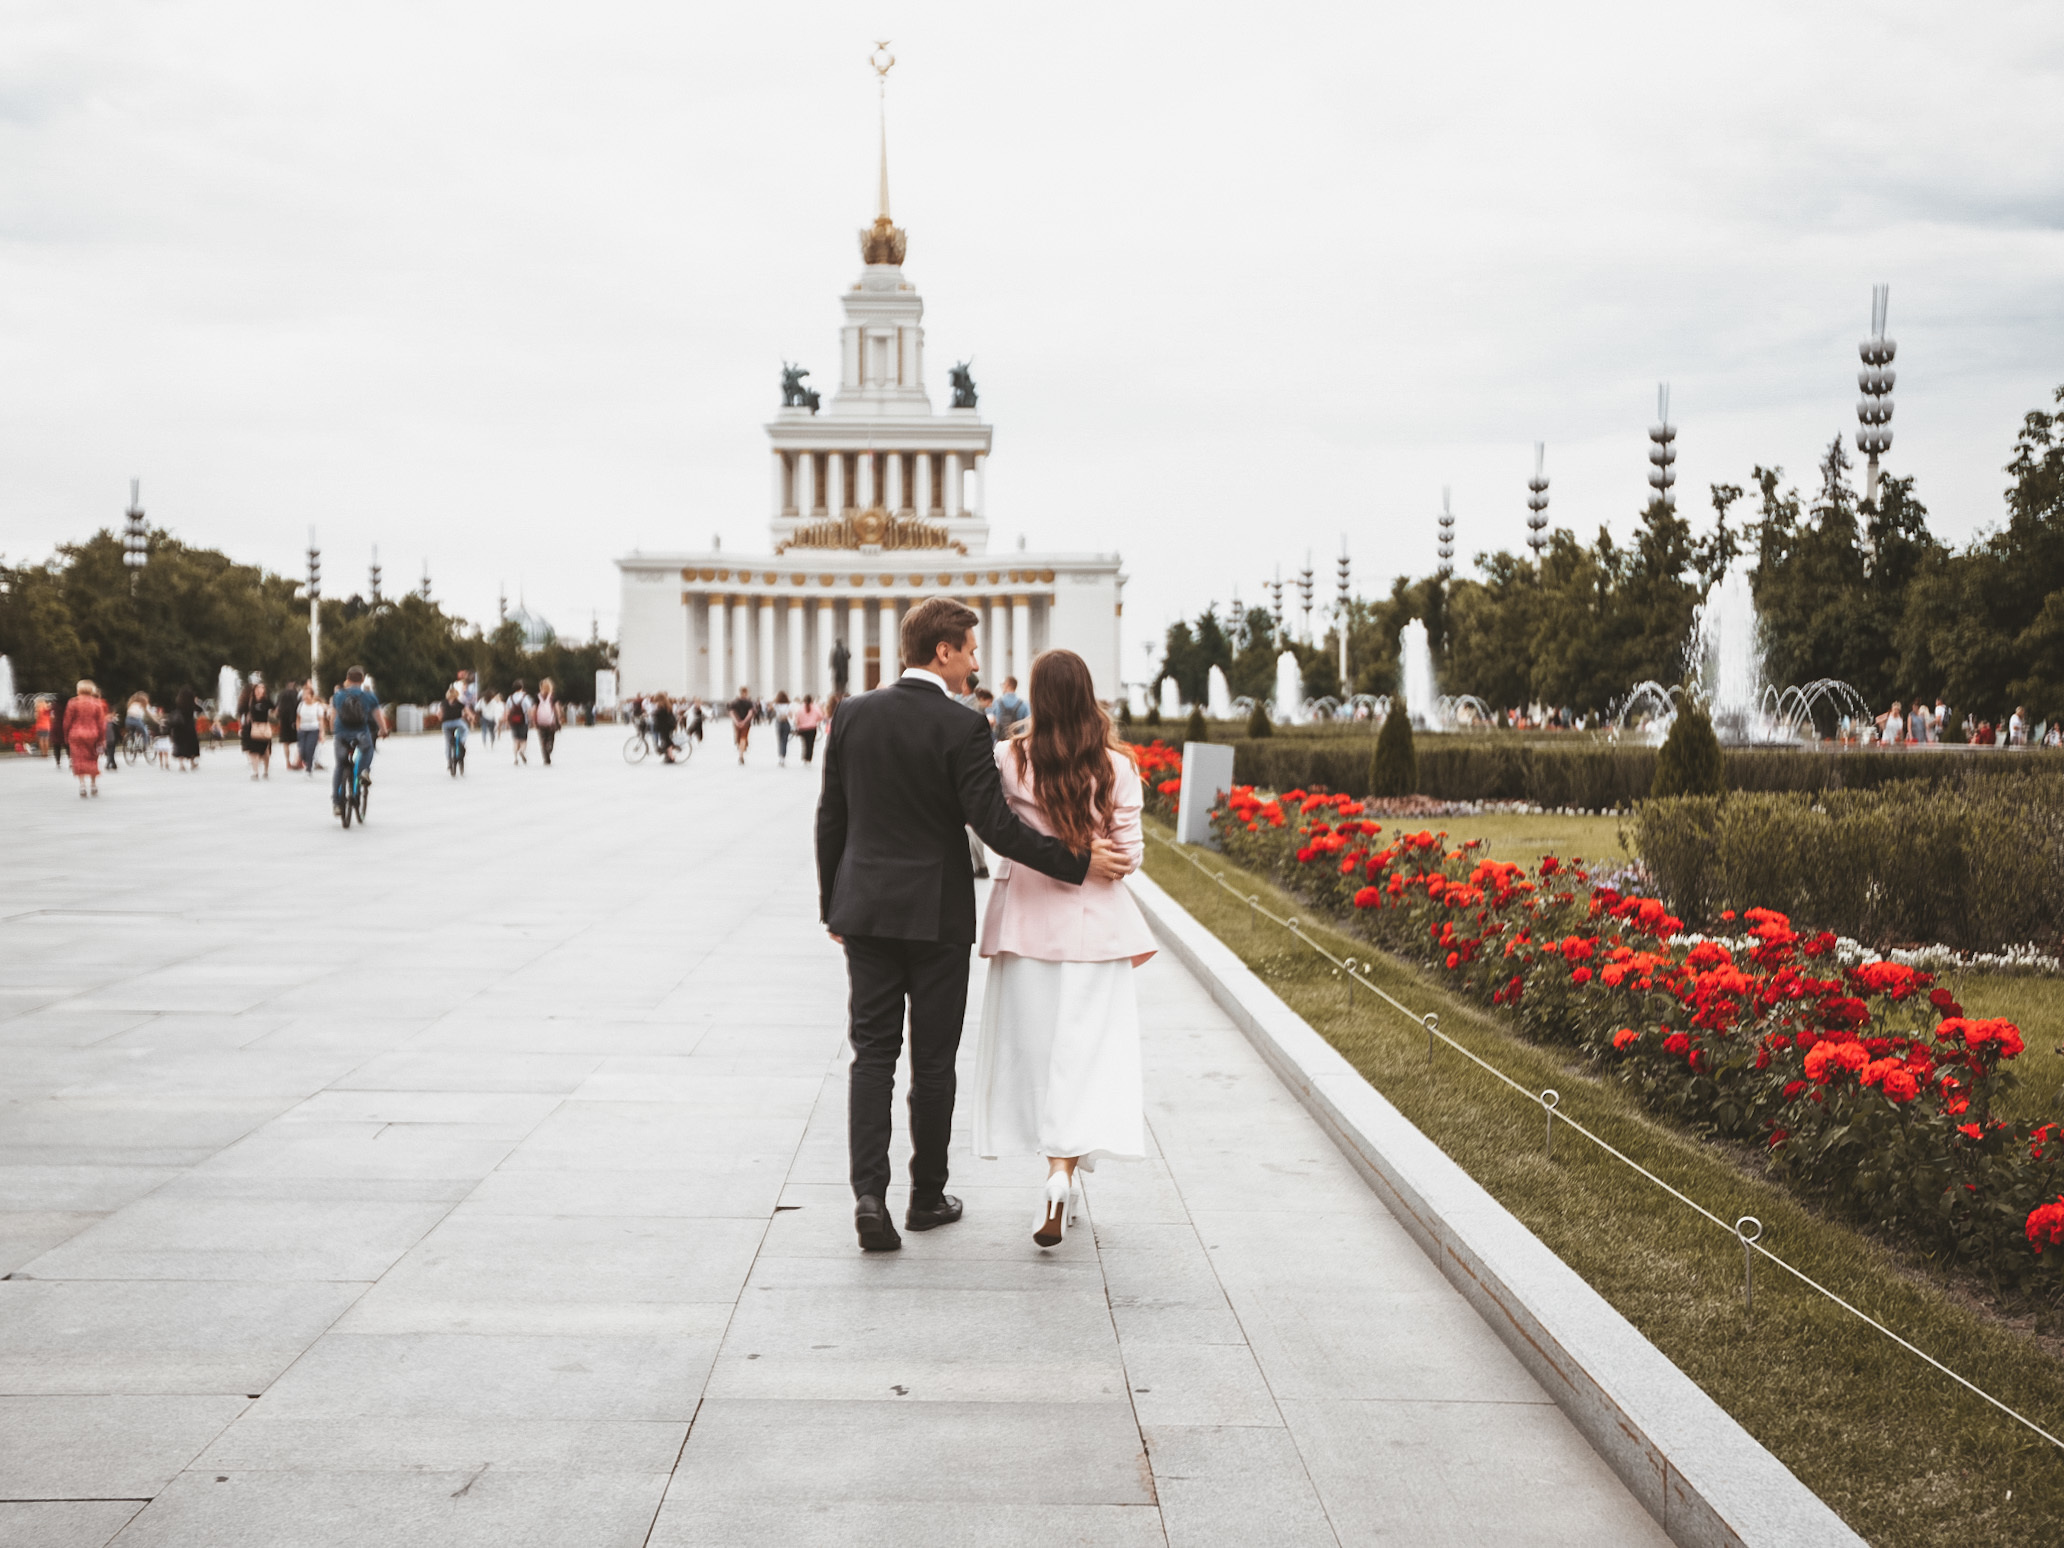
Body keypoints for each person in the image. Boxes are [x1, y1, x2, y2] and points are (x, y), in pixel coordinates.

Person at [815, 596, 1127, 1253]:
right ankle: (926, 1196)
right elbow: (997, 829)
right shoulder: (962, 729)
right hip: (936, 915)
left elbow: (831, 819)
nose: (978, 661)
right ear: (944, 652)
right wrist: (1078, 861)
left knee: (872, 1054)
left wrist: (831, 905)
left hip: (865, 911)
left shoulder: (853, 715)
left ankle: (869, 1197)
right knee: (932, 1061)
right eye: (972, 648)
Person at [974, 648, 1153, 1246]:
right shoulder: (1117, 766)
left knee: (1035, 1058)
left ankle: (1054, 1172)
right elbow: (1128, 860)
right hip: (1096, 931)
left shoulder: (1009, 758)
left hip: (1025, 922)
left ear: (1036, 697)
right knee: (1084, 1060)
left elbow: (997, 833)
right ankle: (1060, 1175)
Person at [330, 667, 384, 814]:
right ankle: (363, 771)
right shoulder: (368, 696)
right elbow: (378, 716)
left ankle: (336, 803)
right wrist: (384, 731)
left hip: (341, 733)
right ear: (362, 680)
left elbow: (333, 716)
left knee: (340, 765)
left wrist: (332, 730)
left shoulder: (339, 695)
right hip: (361, 732)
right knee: (368, 749)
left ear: (347, 679)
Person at [63, 681, 108, 798]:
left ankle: (82, 785)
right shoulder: (97, 703)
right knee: (93, 759)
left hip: (76, 734)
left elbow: (67, 721)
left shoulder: (73, 703)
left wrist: (66, 735)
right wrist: (102, 738)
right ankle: (93, 784)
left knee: (78, 760)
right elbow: (101, 723)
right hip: (93, 734)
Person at [238, 676, 275, 780]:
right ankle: (255, 772)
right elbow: (242, 711)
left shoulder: (266, 701)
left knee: (265, 751)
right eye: (257, 689)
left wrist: (272, 714)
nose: (259, 691)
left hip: (264, 727)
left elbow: (275, 709)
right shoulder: (250, 701)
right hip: (253, 728)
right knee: (253, 750)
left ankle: (266, 771)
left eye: (261, 689)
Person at [169, 687, 202, 771]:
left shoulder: (178, 704)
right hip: (189, 728)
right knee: (191, 745)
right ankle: (192, 762)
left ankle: (181, 765)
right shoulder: (191, 705)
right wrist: (196, 701)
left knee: (180, 746)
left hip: (179, 728)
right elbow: (200, 709)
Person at [298, 685, 327, 776]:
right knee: (302, 750)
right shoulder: (301, 705)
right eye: (304, 695)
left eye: (307, 694)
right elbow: (298, 717)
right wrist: (298, 728)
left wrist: (321, 733)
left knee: (310, 748)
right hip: (302, 729)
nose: (305, 697)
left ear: (311, 695)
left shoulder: (317, 706)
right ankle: (306, 761)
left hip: (313, 729)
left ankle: (309, 768)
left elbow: (321, 720)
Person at [440, 687, 467, 775]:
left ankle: (449, 761)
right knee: (465, 729)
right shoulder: (458, 703)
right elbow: (466, 712)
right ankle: (462, 741)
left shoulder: (443, 703)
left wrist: (441, 719)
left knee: (448, 742)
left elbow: (439, 714)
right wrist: (471, 717)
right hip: (457, 722)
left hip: (446, 724)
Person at [534, 679, 561, 765]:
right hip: (551, 722)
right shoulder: (553, 697)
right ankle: (549, 747)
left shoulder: (537, 697)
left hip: (540, 722)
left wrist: (534, 721)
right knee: (551, 737)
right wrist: (559, 719)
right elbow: (557, 709)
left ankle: (546, 758)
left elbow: (533, 710)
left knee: (542, 739)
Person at [993, 676, 1028, 740]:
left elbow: (993, 722)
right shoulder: (1023, 704)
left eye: (1002, 685)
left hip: (1000, 740)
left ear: (1007, 685)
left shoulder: (997, 703)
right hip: (1017, 741)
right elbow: (1026, 725)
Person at [507, 680, 533, 764]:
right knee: (523, 740)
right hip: (523, 721)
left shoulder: (510, 698)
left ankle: (515, 758)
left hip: (513, 722)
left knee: (515, 740)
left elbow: (507, 711)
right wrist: (531, 720)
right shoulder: (525, 697)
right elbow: (529, 710)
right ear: (522, 687)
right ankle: (522, 751)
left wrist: (507, 722)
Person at [794, 695, 824, 764]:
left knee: (804, 743)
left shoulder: (800, 708)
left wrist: (799, 724)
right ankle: (809, 758)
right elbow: (820, 716)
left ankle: (804, 757)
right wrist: (815, 720)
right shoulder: (815, 707)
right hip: (812, 728)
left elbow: (797, 719)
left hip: (802, 729)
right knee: (811, 744)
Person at [729, 685, 754, 764]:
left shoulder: (735, 702)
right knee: (743, 738)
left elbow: (731, 712)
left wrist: (736, 721)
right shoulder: (749, 702)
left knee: (739, 738)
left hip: (737, 723)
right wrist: (744, 721)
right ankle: (741, 754)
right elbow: (750, 713)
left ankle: (741, 754)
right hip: (745, 723)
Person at [651, 692, 680, 762]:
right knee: (665, 740)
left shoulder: (663, 706)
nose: (656, 702)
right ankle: (667, 756)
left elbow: (660, 714)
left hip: (666, 726)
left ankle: (671, 757)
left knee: (667, 741)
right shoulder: (665, 705)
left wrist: (653, 714)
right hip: (666, 725)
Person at [773, 691, 793, 767]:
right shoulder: (788, 705)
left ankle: (780, 758)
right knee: (785, 741)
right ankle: (783, 758)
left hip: (779, 723)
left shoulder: (776, 705)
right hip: (786, 723)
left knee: (780, 740)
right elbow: (790, 715)